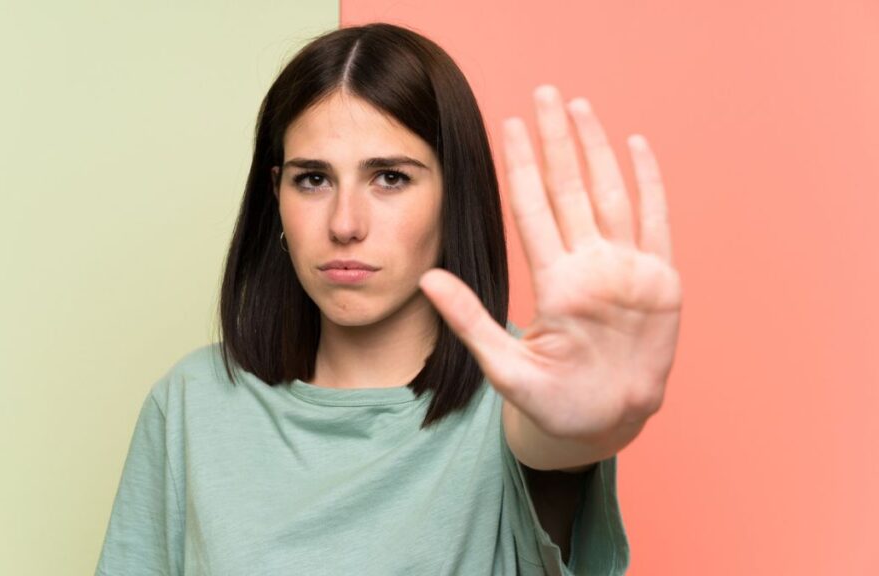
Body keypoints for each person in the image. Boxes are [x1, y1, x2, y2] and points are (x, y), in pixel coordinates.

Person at [94, 21, 681, 576]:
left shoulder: (521, 389)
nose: (345, 224)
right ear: (276, 195)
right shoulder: (191, 404)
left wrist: (586, 428)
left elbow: (552, 434)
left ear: (455, 195)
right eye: (313, 179)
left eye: (391, 178)